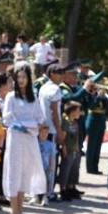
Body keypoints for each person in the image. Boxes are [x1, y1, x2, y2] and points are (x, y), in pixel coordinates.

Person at [2, 63, 48, 214]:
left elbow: (40, 118)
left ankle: (20, 209)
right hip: (16, 139)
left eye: (24, 77)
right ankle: (14, 210)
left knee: (25, 171)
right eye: (18, 77)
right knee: (14, 171)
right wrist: (28, 126)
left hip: (30, 140)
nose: (21, 80)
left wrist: (38, 127)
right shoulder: (10, 97)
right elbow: (7, 119)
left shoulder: (33, 98)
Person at [37, 63, 65, 203]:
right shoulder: (55, 89)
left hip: (42, 128)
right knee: (51, 164)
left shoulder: (43, 87)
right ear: (52, 74)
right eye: (59, 72)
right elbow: (55, 112)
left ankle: (39, 192)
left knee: (42, 162)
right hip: (51, 129)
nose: (62, 75)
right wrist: (59, 130)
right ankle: (49, 192)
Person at [84, 73, 108, 174]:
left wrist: (106, 97)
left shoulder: (102, 94)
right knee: (92, 146)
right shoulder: (90, 92)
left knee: (98, 146)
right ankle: (90, 168)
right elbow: (91, 106)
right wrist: (98, 97)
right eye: (99, 82)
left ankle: (95, 167)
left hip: (101, 120)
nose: (101, 84)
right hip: (93, 119)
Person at [58, 101, 83, 199]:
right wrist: (63, 148)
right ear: (72, 112)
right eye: (78, 111)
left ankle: (71, 187)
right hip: (68, 149)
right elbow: (63, 137)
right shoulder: (65, 122)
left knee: (74, 170)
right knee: (66, 169)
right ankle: (63, 189)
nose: (79, 113)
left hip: (75, 149)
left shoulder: (75, 123)